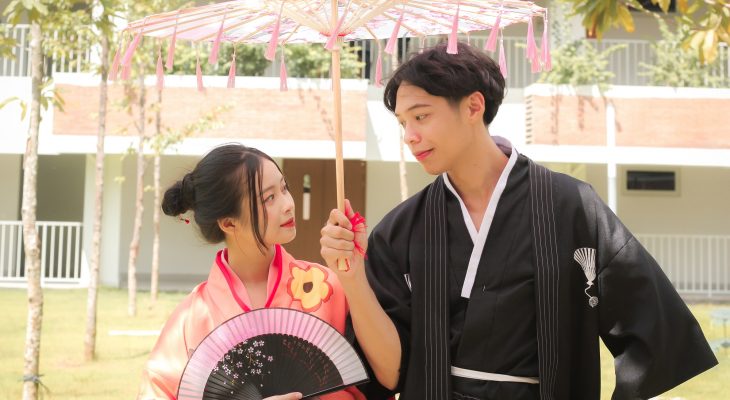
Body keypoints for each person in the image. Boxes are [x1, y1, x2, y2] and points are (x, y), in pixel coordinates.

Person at [320, 42, 718, 400]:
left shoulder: (571, 206)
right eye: (402, 123)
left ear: (473, 107)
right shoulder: (401, 229)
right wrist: (352, 277)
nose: (409, 135)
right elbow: (390, 374)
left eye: (421, 116)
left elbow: (653, 327)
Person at [137, 144, 364, 400]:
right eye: (269, 198)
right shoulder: (193, 318)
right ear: (228, 223)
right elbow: (156, 390)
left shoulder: (326, 287)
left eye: (284, 188)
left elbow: (371, 384)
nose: (288, 204)